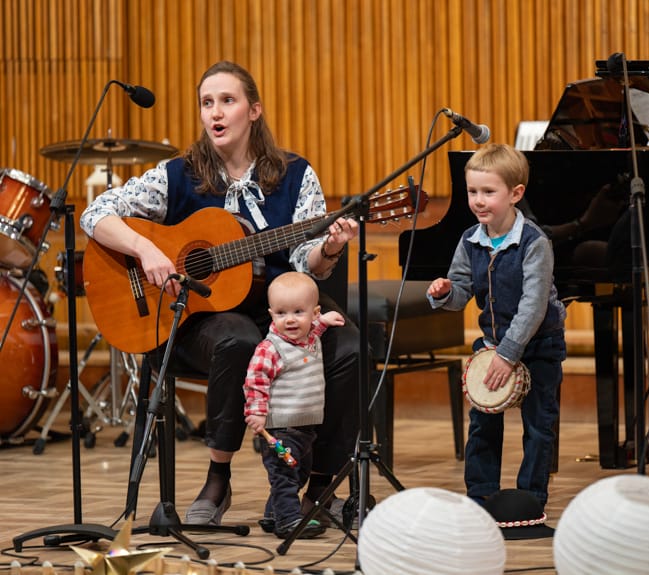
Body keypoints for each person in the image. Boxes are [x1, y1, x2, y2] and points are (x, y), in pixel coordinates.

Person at [80, 60, 361, 526]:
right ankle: (218, 477)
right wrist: (146, 249)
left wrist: (328, 248)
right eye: (206, 103)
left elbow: (303, 259)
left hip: (283, 307)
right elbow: (96, 213)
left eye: (227, 101)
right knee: (237, 338)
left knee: (348, 343)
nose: (215, 112)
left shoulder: (295, 174)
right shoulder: (177, 174)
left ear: (254, 110)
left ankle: (319, 483)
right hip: (202, 315)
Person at [426, 143, 567, 509]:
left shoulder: (535, 243)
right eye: (472, 191)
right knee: (482, 422)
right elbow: (461, 291)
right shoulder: (470, 240)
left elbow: (533, 306)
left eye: (489, 192)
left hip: (539, 344)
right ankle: (481, 494)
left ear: (515, 194)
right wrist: (446, 292)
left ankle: (530, 498)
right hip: (492, 344)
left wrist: (508, 354)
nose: (478, 201)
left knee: (539, 425)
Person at [244, 271, 344, 538]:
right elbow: (255, 382)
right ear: (271, 314)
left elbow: (312, 329)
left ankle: (273, 514)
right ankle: (289, 522)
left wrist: (324, 322)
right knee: (285, 476)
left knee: (298, 474)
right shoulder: (270, 348)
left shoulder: (310, 337)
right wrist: (256, 412)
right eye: (281, 313)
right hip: (280, 428)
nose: (289, 319)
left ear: (314, 313)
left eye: (298, 312)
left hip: (305, 428)